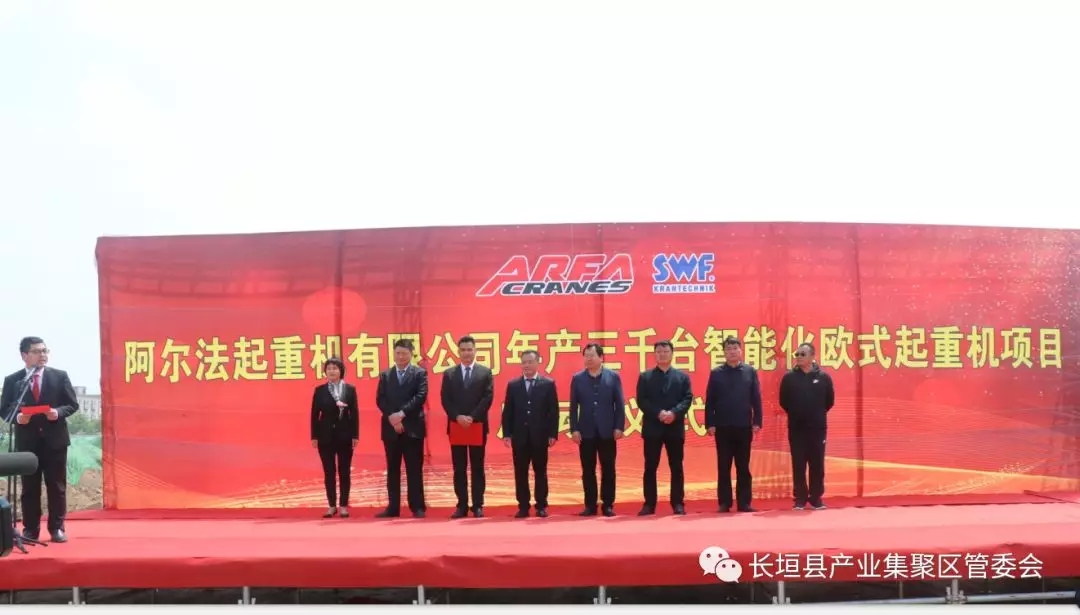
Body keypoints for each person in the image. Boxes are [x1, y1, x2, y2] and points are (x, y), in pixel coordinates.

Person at [0, 336, 79, 543]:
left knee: (56, 486)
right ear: (24, 355)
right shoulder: (13, 380)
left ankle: (56, 528)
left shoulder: (59, 376)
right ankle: (30, 530)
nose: (42, 355)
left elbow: (72, 404)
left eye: (45, 351)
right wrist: (19, 418)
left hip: (55, 441)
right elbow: (5, 409)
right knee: (29, 488)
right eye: (36, 351)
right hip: (28, 443)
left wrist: (57, 412)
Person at [704, 336, 762, 513]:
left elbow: (756, 398)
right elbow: (710, 400)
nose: (732, 352)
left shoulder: (749, 371)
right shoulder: (717, 373)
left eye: (735, 348)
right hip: (723, 426)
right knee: (724, 466)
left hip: (744, 426)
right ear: (724, 352)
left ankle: (744, 502)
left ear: (741, 350)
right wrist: (710, 423)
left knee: (743, 466)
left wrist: (757, 421)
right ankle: (724, 503)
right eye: (728, 349)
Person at [568, 342, 626, 517]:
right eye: (586, 356)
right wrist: (574, 429)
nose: (589, 359)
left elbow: (619, 404)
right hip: (585, 431)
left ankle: (608, 505)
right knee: (588, 470)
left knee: (608, 469)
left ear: (601, 357)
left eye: (592, 356)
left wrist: (619, 426)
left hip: (607, 430)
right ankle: (590, 505)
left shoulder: (613, 377)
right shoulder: (578, 378)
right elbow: (573, 406)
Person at [636, 340, 692, 516]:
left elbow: (687, 399)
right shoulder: (645, 377)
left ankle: (678, 503)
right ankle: (649, 504)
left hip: (674, 427)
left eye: (665, 351)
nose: (662, 355)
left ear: (672, 353)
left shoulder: (682, 377)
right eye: (659, 352)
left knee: (676, 467)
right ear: (654, 354)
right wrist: (658, 413)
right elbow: (642, 400)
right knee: (650, 467)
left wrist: (674, 413)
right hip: (653, 428)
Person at [501, 350, 560, 518]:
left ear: (537, 363)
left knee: (540, 471)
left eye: (530, 362)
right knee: (520, 472)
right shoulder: (513, 385)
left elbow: (553, 411)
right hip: (519, 437)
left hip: (540, 436)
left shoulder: (547, 384)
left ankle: (541, 505)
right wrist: (507, 433)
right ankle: (523, 506)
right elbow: (508, 411)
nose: (526, 365)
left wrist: (552, 434)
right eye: (524, 362)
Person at [440, 335, 494, 518]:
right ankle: (461, 505)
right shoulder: (449, 374)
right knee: (459, 468)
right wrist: (457, 416)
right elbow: (445, 399)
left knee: (477, 467)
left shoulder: (485, 373)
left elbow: (487, 398)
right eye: (463, 350)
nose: (466, 353)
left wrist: (472, 417)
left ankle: (477, 505)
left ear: (475, 350)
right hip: (457, 426)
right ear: (458, 352)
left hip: (477, 425)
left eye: (470, 349)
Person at [375, 338, 428, 518]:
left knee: (414, 468)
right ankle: (393, 507)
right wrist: (393, 417)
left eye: (404, 353)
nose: (401, 357)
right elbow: (381, 399)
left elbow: (420, 396)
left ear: (411, 354)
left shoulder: (420, 373)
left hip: (412, 427)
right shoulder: (385, 375)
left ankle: (417, 506)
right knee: (392, 468)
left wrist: (402, 414)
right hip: (390, 427)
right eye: (398, 353)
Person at [779, 342, 835, 510]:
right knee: (799, 463)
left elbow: (829, 401)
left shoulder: (824, 378)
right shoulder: (789, 378)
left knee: (817, 463)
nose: (799, 357)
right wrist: (797, 413)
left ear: (812, 356)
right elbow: (784, 401)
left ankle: (816, 497)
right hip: (797, 428)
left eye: (803, 354)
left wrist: (816, 414)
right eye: (797, 354)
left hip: (817, 429)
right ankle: (800, 498)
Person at [309, 357, 359, 518]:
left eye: (335, 368)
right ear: (325, 371)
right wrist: (314, 436)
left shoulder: (349, 389)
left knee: (344, 471)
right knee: (329, 471)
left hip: (345, 435)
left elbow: (354, 414)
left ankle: (343, 505)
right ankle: (331, 505)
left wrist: (355, 435)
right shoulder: (320, 390)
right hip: (325, 436)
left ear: (341, 371)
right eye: (329, 368)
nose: (332, 371)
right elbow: (314, 415)